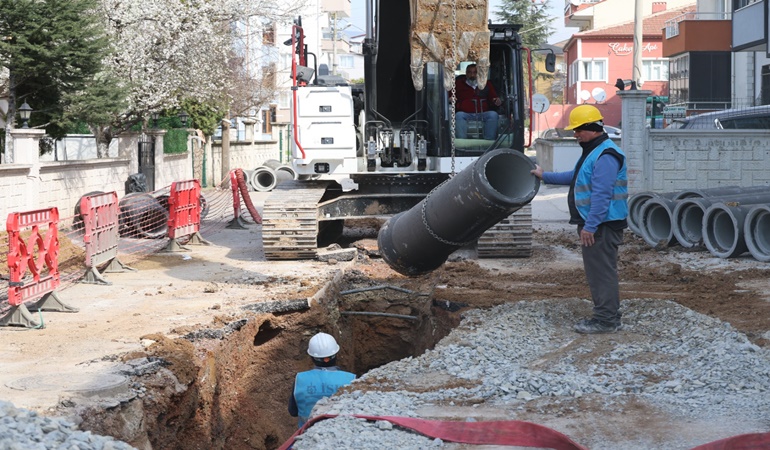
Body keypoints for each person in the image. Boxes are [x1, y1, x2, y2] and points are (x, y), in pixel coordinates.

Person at [530, 105, 628, 334]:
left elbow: (602, 196)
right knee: (600, 271)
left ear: (592, 129)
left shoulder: (606, 155)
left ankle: (606, 321)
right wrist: (545, 176)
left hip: (602, 226)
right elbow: (576, 177)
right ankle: (609, 314)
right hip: (598, 225)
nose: (575, 135)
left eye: (578, 130)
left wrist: (590, 226)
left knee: (601, 273)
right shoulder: (595, 151)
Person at [289, 332, 355, 428]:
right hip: (343, 432)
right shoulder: (351, 379)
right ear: (335, 354)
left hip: (307, 434)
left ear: (312, 357)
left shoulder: (300, 379)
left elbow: (293, 411)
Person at [453, 63, 502, 140]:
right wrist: (451, 99)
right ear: (466, 73)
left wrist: (496, 101)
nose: (472, 75)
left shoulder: (486, 84)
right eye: (469, 72)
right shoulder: (458, 84)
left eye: (475, 72)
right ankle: (462, 142)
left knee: (493, 115)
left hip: (482, 113)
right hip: (465, 114)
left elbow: (493, 98)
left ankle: (489, 142)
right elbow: (449, 96)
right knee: (459, 115)